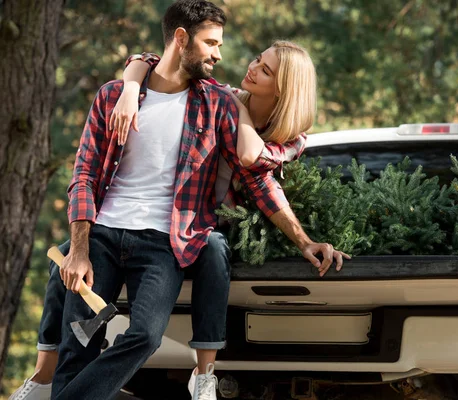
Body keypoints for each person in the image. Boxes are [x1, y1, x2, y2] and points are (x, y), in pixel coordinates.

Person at [9, 1, 348, 400]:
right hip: (101, 233)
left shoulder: (218, 103)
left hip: (165, 241)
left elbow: (258, 181)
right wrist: (80, 249)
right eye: (211, 43)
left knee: (146, 336)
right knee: (78, 343)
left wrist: (303, 240)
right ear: (182, 39)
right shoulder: (113, 97)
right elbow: (83, 175)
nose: (220, 55)